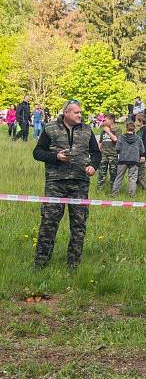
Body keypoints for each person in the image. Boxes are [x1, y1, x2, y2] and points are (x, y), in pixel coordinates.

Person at [32, 100, 101, 270]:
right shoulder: (50, 128)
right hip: (56, 183)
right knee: (49, 222)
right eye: (77, 112)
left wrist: (93, 166)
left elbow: (96, 154)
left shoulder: (87, 130)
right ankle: (40, 263)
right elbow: (37, 152)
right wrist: (56, 156)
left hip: (80, 183)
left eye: (80, 113)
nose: (80, 115)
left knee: (78, 225)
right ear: (67, 113)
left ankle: (73, 265)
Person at [111, 121, 145, 197]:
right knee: (132, 178)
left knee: (119, 177)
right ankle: (132, 195)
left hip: (123, 160)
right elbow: (142, 150)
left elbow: (117, 148)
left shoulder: (121, 137)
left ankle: (114, 194)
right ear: (134, 129)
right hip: (134, 160)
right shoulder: (138, 138)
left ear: (126, 128)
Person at [96, 113, 119, 192]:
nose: (104, 122)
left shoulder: (117, 129)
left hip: (113, 154)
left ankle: (113, 191)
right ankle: (99, 191)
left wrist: (108, 131)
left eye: (105, 120)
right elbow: (100, 142)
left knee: (113, 174)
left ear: (111, 120)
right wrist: (98, 152)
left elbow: (116, 139)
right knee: (101, 174)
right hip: (103, 155)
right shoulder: (103, 130)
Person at [135, 114, 146, 191]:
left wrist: (144, 156)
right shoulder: (139, 131)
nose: (134, 122)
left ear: (141, 121)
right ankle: (139, 191)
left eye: (136, 120)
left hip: (142, 157)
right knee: (136, 176)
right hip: (136, 156)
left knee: (140, 176)